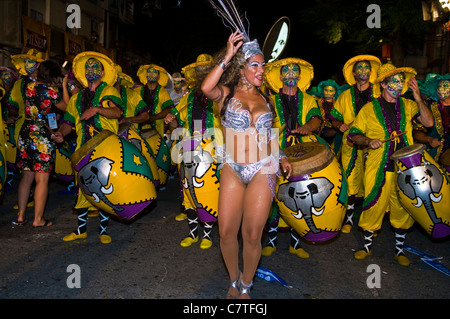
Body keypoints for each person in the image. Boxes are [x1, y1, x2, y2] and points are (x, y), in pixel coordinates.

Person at [201, 30, 292, 298]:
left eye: (263, 65)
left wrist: (282, 155)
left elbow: (270, 137)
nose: (261, 70)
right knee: (227, 232)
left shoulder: (267, 99)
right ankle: (232, 279)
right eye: (255, 64)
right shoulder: (225, 95)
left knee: (253, 234)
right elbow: (206, 88)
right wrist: (227, 56)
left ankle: (246, 284)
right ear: (241, 68)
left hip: (263, 168)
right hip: (232, 167)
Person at [347, 63, 434, 266]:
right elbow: (354, 134)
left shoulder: (409, 105)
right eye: (394, 81)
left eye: (401, 81)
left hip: (406, 169)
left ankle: (399, 250)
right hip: (379, 168)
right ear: (384, 85)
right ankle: (367, 247)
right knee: (373, 207)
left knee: (403, 208)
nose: (399, 85)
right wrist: (368, 141)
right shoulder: (369, 109)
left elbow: (429, 123)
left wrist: (418, 98)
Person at [52, 51, 124, 244]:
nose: (91, 70)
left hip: (105, 146)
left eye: (95, 67)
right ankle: (81, 229)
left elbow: (117, 112)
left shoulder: (109, 91)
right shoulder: (76, 99)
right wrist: (61, 133)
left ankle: (103, 230)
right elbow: (68, 122)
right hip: (83, 148)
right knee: (82, 187)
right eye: (88, 67)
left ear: (102, 73)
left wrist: (97, 109)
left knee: (103, 186)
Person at [260, 57, 324, 259]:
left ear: (299, 76)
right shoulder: (269, 100)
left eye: (294, 71)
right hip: (275, 151)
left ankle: (295, 244)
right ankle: (271, 240)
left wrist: (308, 127)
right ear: (280, 76)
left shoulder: (309, 99)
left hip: (302, 152)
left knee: (300, 194)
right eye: (286, 71)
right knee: (274, 194)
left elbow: (316, 119)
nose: (290, 74)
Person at [165, 53, 222, 250]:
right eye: (199, 71)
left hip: (211, 147)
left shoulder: (219, 94)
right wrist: (170, 122)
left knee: (208, 190)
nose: (203, 74)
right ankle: (192, 233)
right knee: (188, 190)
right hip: (188, 146)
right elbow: (178, 123)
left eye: (206, 71)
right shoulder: (187, 97)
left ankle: (207, 235)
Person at [329, 55, 381, 233]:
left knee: (372, 181)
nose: (363, 71)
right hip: (350, 144)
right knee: (350, 180)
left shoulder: (380, 93)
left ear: (371, 72)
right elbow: (334, 118)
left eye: (367, 68)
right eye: (359, 68)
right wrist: (339, 125)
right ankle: (349, 220)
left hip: (374, 145)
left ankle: (370, 224)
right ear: (353, 73)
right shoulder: (344, 95)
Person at [13, 60, 68, 227]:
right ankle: (38, 219)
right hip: (42, 135)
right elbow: (67, 107)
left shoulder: (29, 86)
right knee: (42, 179)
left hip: (26, 132)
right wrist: (64, 86)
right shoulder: (51, 92)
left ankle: (21, 215)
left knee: (26, 176)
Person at [413, 73, 449, 163]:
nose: (441, 89)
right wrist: (429, 139)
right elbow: (416, 133)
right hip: (434, 159)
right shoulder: (429, 108)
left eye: (445, 86)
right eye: (439, 86)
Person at [135, 64, 174, 137]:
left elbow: (169, 109)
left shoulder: (162, 92)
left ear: (159, 76)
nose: (151, 74)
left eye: (154, 72)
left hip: (156, 133)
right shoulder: (137, 91)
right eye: (149, 71)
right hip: (138, 131)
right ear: (146, 74)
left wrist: (151, 118)